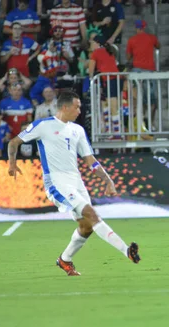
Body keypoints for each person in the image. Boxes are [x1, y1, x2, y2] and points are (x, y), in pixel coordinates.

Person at [7, 91, 141, 276]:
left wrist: (107, 179)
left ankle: (65, 260)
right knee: (91, 214)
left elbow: (90, 160)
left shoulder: (77, 130)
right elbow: (13, 143)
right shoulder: (43, 125)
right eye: (77, 107)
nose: (80, 110)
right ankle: (126, 250)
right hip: (56, 181)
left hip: (76, 181)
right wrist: (12, 163)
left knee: (86, 226)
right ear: (65, 107)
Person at [89, 34, 121, 135]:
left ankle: (116, 132)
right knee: (106, 104)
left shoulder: (96, 52)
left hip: (109, 80)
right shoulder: (108, 51)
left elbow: (90, 70)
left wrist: (91, 78)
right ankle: (110, 130)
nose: (91, 44)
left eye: (92, 42)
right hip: (112, 80)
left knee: (112, 106)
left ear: (97, 43)